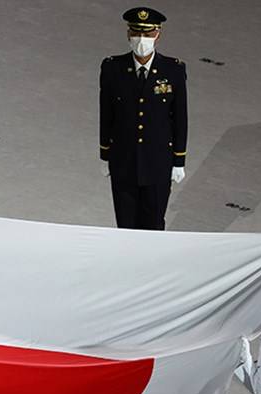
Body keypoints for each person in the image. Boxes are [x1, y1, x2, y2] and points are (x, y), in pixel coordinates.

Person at [99, 7, 188, 229]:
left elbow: (180, 118)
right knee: (125, 224)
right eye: (137, 33)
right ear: (128, 34)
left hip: (158, 162)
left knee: (154, 223)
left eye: (147, 34)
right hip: (123, 160)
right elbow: (106, 114)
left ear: (158, 35)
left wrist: (179, 160)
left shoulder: (173, 70)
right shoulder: (113, 68)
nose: (142, 40)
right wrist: (104, 155)